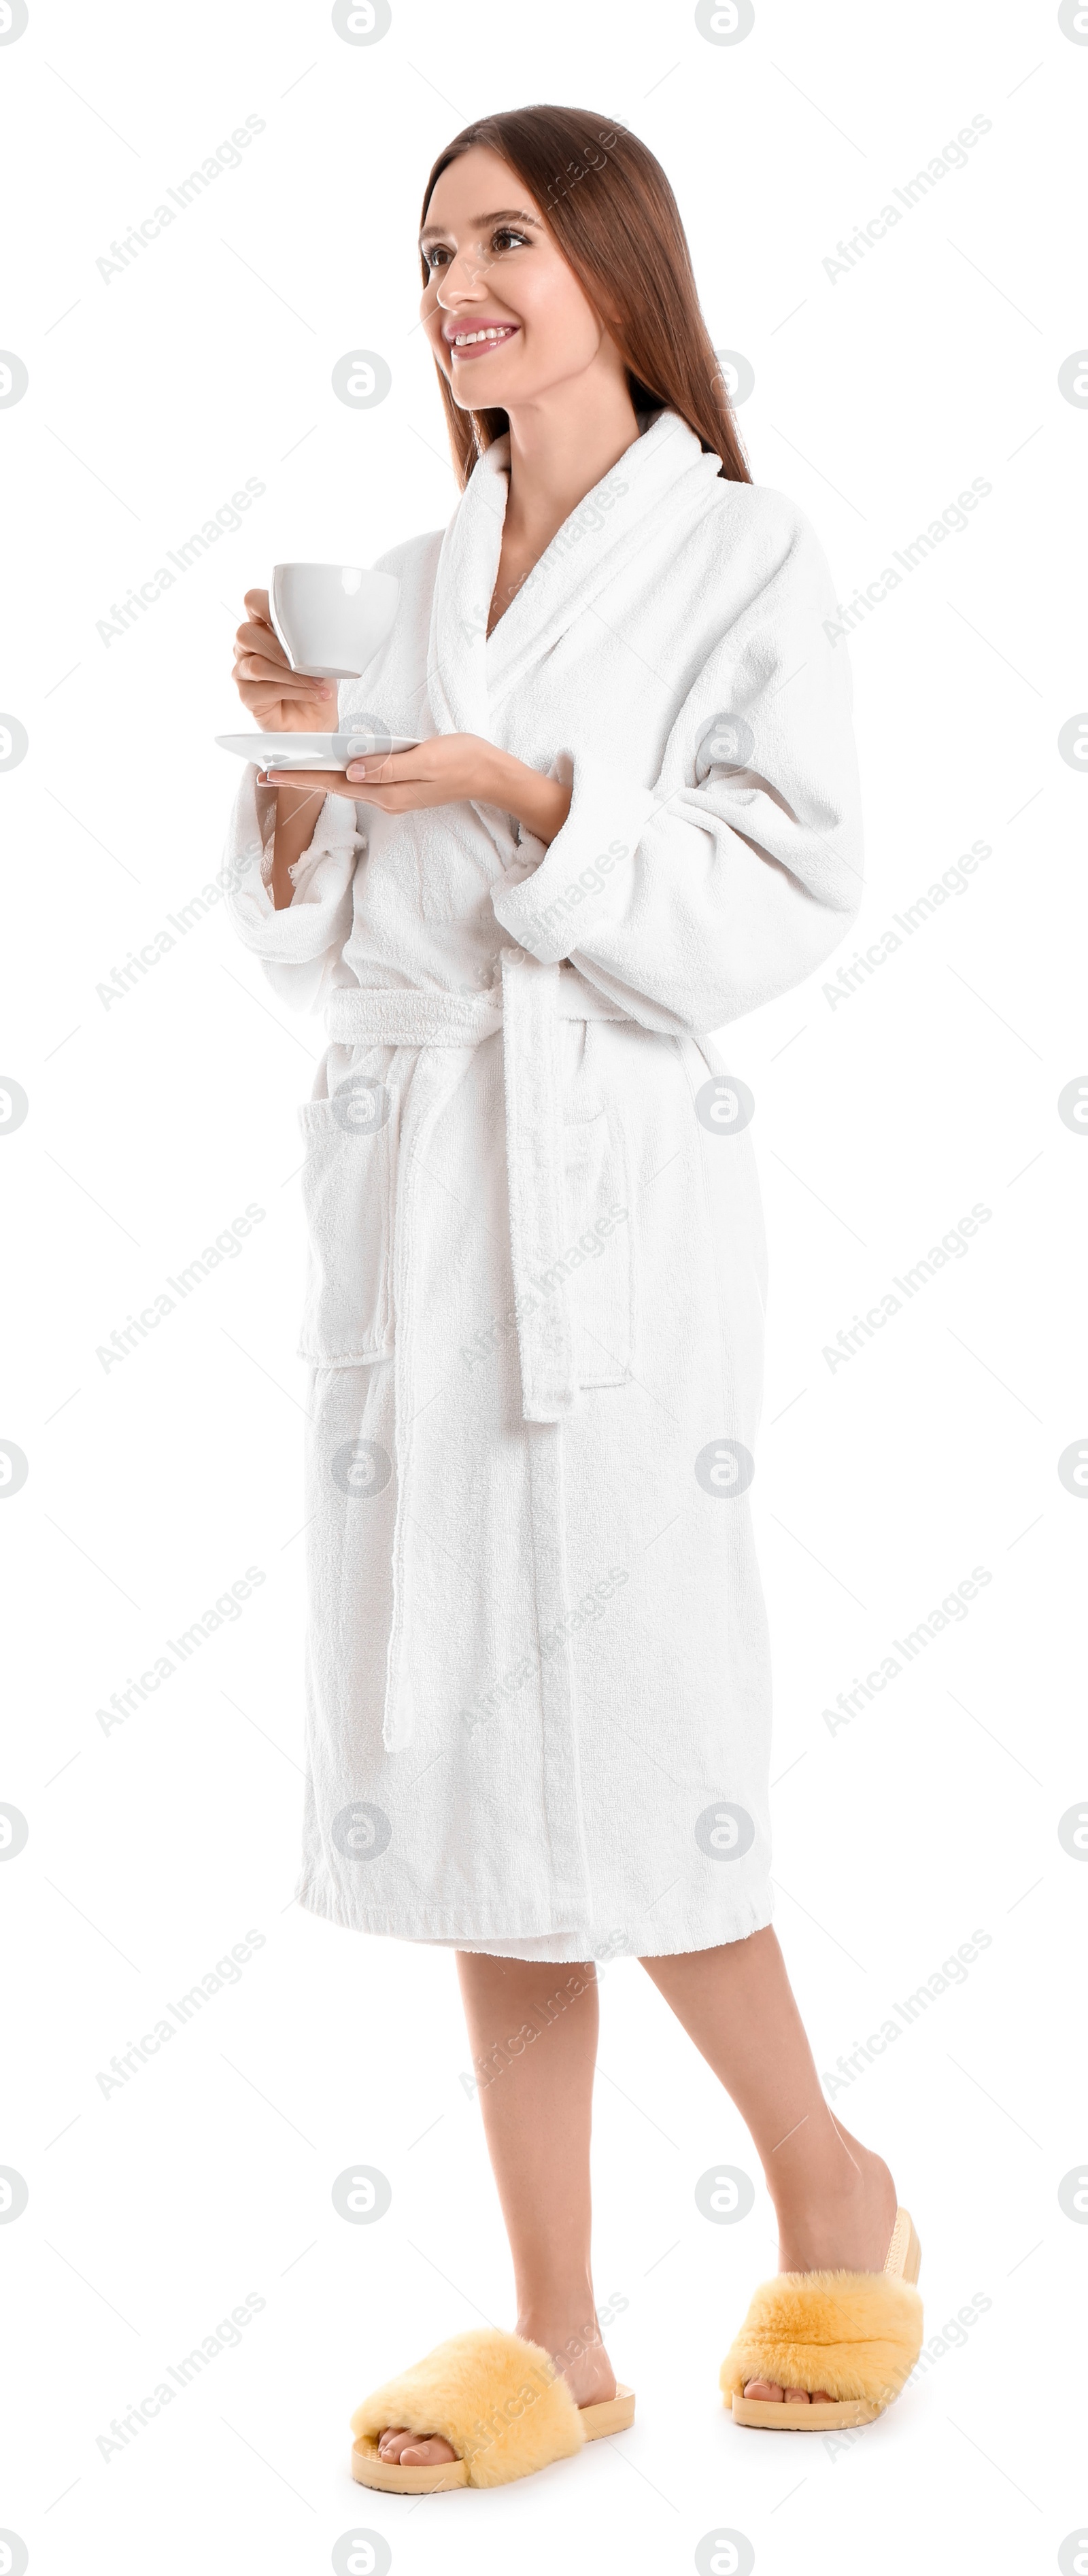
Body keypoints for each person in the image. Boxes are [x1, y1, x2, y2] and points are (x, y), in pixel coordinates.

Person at [224, 104, 922, 2490]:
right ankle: (561, 2333)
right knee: (461, 1768)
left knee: (631, 1739)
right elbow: (329, 955)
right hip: (419, 1208)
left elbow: (789, 888)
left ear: (615, 263)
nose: (458, 288)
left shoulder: (743, 552)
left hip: (608, 1198)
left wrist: (538, 807)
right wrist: (308, 784)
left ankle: (834, 2188)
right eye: (432, 251)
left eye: (504, 238)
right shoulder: (413, 574)